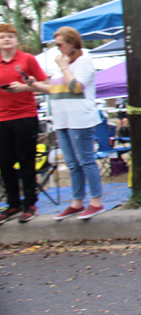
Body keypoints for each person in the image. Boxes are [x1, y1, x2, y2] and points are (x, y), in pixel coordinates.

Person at [30, 27, 105, 220]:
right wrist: (32, 85)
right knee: (72, 163)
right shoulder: (62, 65)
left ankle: (96, 202)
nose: (58, 49)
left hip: (80, 118)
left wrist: (64, 67)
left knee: (86, 160)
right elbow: (57, 89)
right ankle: (77, 202)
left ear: (72, 43)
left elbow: (77, 87)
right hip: (61, 119)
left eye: (60, 45)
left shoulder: (84, 62)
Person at [0, 23, 48, 224]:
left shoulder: (28, 60)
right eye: (3, 36)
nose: (7, 39)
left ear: (16, 39)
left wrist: (25, 88)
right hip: (2, 119)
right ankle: (13, 204)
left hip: (25, 116)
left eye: (10, 36)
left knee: (26, 160)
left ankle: (30, 203)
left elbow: (46, 86)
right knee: (4, 162)